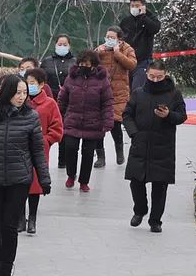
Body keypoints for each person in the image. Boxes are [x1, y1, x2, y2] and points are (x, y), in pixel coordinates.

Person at [0, 75, 51, 276]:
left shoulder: (31, 117)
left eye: (24, 93)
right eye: (17, 92)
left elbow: (38, 150)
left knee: (9, 226)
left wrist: (44, 178)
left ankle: (4, 273)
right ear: (7, 92)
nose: (21, 97)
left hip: (19, 179)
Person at [123, 61, 187, 233]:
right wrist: (134, 133)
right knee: (136, 181)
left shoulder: (174, 94)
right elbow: (127, 115)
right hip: (140, 143)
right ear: (147, 75)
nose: (155, 80)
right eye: (152, 76)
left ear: (165, 75)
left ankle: (155, 220)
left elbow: (182, 116)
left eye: (159, 77)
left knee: (160, 186)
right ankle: (140, 210)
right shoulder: (138, 93)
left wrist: (168, 115)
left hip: (163, 145)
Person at [59, 50, 114, 193]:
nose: (84, 66)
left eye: (87, 64)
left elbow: (107, 102)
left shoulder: (102, 80)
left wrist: (107, 121)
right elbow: (63, 98)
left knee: (88, 153)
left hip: (93, 123)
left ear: (94, 65)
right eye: (81, 63)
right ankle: (71, 175)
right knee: (70, 148)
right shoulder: (71, 78)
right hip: (72, 120)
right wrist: (60, 115)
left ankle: (84, 181)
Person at [21, 69, 63, 235]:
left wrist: (44, 140)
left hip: (38, 150)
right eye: (27, 82)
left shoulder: (50, 103)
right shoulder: (20, 101)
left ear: (41, 85)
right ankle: (19, 219)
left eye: (32, 83)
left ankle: (32, 218)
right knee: (19, 184)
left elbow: (57, 129)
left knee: (35, 185)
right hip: (19, 149)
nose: (29, 86)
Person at [94, 26, 137, 167]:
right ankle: (101, 156)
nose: (109, 39)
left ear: (119, 38)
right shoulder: (101, 49)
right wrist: (97, 55)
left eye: (112, 37)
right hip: (101, 93)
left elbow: (132, 65)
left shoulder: (127, 49)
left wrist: (118, 54)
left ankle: (119, 151)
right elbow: (90, 64)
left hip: (119, 94)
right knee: (98, 125)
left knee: (115, 123)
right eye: (107, 36)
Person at [41, 35, 76, 169]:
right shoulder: (47, 61)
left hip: (68, 101)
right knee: (47, 130)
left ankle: (63, 161)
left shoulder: (75, 62)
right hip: (50, 99)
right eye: (59, 44)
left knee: (64, 131)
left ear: (69, 45)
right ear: (55, 45)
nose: (62, 46)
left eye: (64, 44)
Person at [120, 0, 161, 92]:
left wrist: (143, 17)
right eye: (132, 6)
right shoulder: (126, 21)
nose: (134, 8)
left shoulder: (150, 18)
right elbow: (120, 36)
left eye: (137, 6)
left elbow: (155, 28)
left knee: (137, 90)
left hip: (143, 61)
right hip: (127, 61)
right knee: (126, 91)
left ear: (143, 6)